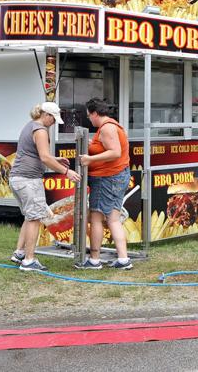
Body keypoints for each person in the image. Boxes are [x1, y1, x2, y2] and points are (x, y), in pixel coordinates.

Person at [9, 101, 80, 272]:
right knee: (35, 218)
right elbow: (44, 158)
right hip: (28, 180)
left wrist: (55, 159)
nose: (54, 123)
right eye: (53, 119)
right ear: (46, 115)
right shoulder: (40, 131)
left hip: (17, 178)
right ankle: (29, 260)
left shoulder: (30, 126)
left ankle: (19, 253)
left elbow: (37, 154)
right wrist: (66, 172)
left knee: (29, 215)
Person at [75, 97, 132, 270]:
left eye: (89, 115)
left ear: (94, 113)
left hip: (107, 179)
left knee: (97, 218)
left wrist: (89, 158)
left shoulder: (106, 128)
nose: (89, 119)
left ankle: (94, 260)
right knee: (114, 219)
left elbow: (115, 152)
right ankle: (123, 259)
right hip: (116, 176)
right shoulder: (112, 126)